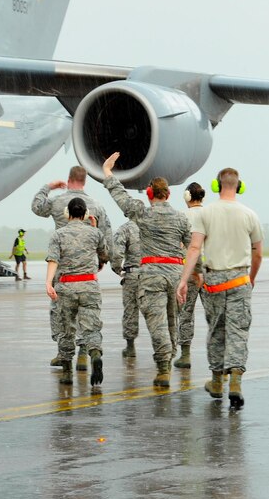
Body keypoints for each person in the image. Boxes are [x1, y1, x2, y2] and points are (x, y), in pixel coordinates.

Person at [101, 153, 191, 388]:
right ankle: (169, 359)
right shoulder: (181, 219)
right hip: (176, 273)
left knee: (157, 323)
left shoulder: (142, 213)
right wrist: (196, 273)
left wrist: (108, 172)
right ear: (168, 194)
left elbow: (120, 197)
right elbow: (193, 246)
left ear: (150, 194)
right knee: (173, 320)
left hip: (151, 274)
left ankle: (163, 367)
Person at [177, 167, 263, 409]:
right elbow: (258, 253)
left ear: (216, 186)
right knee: (238, 332)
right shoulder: (249, 215)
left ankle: (216, 381)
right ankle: (235, 381)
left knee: (216, 330)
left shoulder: (206, 213)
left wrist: (184, 280)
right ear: (239, 185)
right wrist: (251, 278)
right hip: (239, 280)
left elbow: (194, 249)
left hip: (214, 281)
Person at [32, 165, 112, 370]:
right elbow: (106, 235)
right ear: (85, 181)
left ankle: (64, 354)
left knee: (61, 313)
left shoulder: (58, 202)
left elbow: (36, 206)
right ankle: (84, 353)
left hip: (63, 268)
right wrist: (102, 261)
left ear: (68, 180)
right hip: (87, 269)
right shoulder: (96, 205)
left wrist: (48, 187)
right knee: (87, 314)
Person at [45, 198, 109, 386]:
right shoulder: (95, 233)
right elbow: (104, 255)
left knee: (66, 328)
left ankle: (66, 372)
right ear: (85, 213)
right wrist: (96, 228)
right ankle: (95, 353)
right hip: (89, 285)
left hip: (66, 286)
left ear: (67, 213)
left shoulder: (58, 235)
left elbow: (53, 260)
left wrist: (49, 283)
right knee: (91, 326)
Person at [175, 182, 207, 370]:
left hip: (189, 271)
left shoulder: (182, 217)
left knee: (186, 313)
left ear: (187, 197)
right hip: (208, 270)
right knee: (213, 313)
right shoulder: (209, 214)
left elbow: (179, 246)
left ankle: (185, 355)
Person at [110, 219, 142, 358]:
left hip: (133, 274)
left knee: (130, 310)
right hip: (155, 272)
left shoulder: (125, 229)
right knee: (158, 312)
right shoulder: (155, 225)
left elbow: (117, 253)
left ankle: (130, 346)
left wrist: (117, 269)